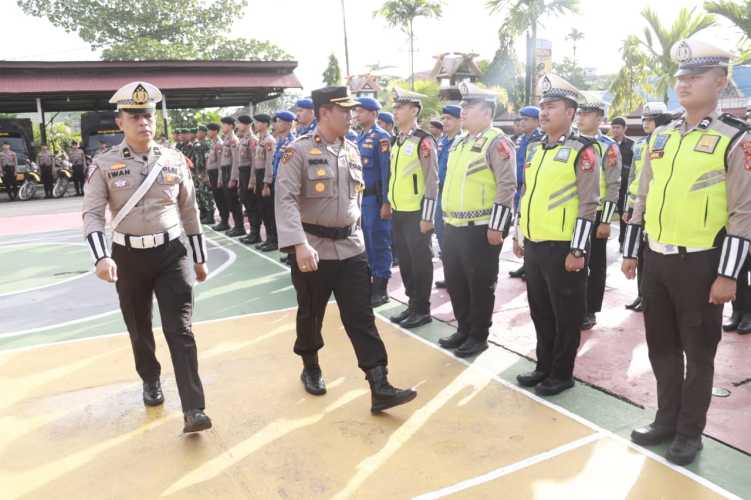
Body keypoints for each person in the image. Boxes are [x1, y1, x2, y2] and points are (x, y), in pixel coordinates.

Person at [621, 39, 751, 465]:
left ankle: (690, 432)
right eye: (680, 78)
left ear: (720, 81)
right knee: (660, 346)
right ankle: (665, 418)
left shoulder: (735, 138)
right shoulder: (662, 135)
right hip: (655, 259)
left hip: (700, 262)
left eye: (694, 77)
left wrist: (729, 274)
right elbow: (642, 196)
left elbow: (743, 212)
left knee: (698, 353)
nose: (684, 84)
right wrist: (631, 251)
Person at [275, 85, 417, 413]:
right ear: (325, 112)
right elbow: (284, 200)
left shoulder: (351, 149)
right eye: (345, 110)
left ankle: (379, 384)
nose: (351, 116)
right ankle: (310, 365)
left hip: (352, 248)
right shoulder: (297, 152)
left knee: (361, 316)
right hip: (314, 250)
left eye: (353, 110)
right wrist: (298, 245)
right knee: (311, 314)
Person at [82, 81, 211, 433]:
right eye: (135, 115)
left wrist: (198, 257)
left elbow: (190, 211)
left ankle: (194, 408)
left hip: (172, 253)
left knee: (179, 329)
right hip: (128, 256)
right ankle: (150, 377)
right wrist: (101, 257)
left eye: (148, 115)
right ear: (120, 121)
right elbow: (92, 214)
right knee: (139, 327)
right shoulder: (104, 164)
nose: (143, 122)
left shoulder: (173, 160)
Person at [513, 74, 600, 396]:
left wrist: (577, 250)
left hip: (564, 247)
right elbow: (526, 194)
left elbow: (589, 205)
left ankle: (562, 373)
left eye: (551, 106)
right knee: (540, 310)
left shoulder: (583, 150)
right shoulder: (536, 149)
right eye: (542, 106)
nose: (544, 112)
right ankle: (543, 365)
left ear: (570, 112)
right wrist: (520, 235)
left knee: (566, 315)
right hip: (536, 243)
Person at [437, 82, 517, 357]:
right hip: (454, 226)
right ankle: (463, 328)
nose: (464, 111)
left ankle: (478, 335)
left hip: (481, 229)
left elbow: (507, 185)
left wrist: (498, 225)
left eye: (469, 107)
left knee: (479, 284)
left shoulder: (497, 141)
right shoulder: (461, 142)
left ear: (487, 111)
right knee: (456, 281)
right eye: (463, 107)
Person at [385, 88, 439, 329]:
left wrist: (427, 216)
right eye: (395, 107)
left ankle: (422, 309)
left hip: (417, 213)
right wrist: (389, 202)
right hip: (399, 210)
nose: (395, 111)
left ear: (414, 110)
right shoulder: (398, 140)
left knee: (420, 261)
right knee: (405, 261)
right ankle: (412, 304)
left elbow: (431, 180)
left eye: (400, 107)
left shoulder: (423, 140)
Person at [622, 102, 673, 312]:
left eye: (649, 119)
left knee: (654, 254)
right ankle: (641, 294)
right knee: (637, 253)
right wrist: (628, 205)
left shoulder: (668, 140)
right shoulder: (640, 144)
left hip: (657, 206)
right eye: (644, 119)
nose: (645, 123)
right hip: (638, 204)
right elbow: (634, 176)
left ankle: (650, 295)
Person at [576, 98, 621, 330]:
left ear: (600, 117)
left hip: (596, 215)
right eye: (580, 112)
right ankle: (573, 306)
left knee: (595, 265)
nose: (581, 117)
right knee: (574, 263)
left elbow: (613, 185)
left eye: (588, 113)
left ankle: (590, 308)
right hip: (570, 215)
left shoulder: (608, 146)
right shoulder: (569, 142)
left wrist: (606, 222)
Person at [354, 97, 393, 306]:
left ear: (373, 114)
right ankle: (369, 284)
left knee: (379, 242)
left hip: (376, 200)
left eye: (360, 111)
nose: (357, 115)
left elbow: (387, 172)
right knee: (366, 243)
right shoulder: (360, 137)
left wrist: (387, 202)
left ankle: (381, 289)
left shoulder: (381, 138)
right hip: (361, 198)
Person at [509, 106, 543, 280]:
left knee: (530, 227)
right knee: (520, 225)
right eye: (521, 119)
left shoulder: (540, 139)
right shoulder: (522, 139)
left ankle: (530, 266)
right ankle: (525, 264)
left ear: (537, 122)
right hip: (520, 189)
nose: (521, 122)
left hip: (531, 188)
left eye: (526, 120)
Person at [434, 104, 463, 289]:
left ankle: (458, 276)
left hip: (454, 194)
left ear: (460, 120)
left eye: (449, 119)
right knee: (442, 235)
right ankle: (449, 274)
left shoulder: (461, 141)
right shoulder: (443, 141)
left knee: (455, 239)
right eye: (443, 118)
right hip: (440, 193)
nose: (445, 122)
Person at [244, 113, 276, 247]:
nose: (255, 125)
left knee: (269, 210)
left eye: (257, 122)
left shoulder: (269, 140)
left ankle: (273, 240)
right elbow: (255, 162)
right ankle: (268, 238)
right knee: (262, 209)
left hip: (264, 177)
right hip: (258, 176)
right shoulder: (260, 140)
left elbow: (269, 163)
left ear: (264, 124)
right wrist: (253, 180)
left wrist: (267, 184)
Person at [610, 116, 634, 249]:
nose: (615, 130)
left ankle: (623, 241)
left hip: (625, 186)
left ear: (625, 129)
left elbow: (633, 166)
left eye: (618, 127)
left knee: (624, 215)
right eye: (613, 127)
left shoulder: (631, 145)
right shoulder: (608, 144)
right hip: (610, 185)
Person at [220, 116, 246, 237]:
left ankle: (240, 227)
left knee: (234, 202)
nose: (223, 127)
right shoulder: (226, 139)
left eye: (225, 124)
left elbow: (236, 160)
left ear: (231, 126)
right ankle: (236, 226)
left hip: (231, 171)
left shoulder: (234, 140)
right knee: (229, 201)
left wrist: (233, 178)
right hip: (225, 171)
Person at [236, 115, 259, 240]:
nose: (238, 126)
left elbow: (255, 162)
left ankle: (255, 233)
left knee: (252, 204)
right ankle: (252, 232)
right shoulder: (242, 139)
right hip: (242, 173)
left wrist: (252, 179)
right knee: (245, 201)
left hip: (249, 173)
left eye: (240, 123)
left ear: (247, 125)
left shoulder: (252, 140)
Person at [207, 123, 229, 231]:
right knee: (217, 198)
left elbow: (221, 163)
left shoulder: (219, 144)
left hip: (217, 174)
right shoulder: (213, 143)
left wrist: (220, 178)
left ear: (215, 131)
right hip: (212, 174)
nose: (208, 132)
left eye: (209, 130)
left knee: (221, 199)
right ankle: (222, 220)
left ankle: (225, 222)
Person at [192, 125, 216, 225]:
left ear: (203, 133)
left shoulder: (206, 144)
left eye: (198, 132)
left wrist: (206, 174)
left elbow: (207, 160)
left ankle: (210, 217)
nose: (197, 134)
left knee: (207, 194)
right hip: (199, 173)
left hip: (205, 173)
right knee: (201, 194)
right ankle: (204, 214)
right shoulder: (198, 144)